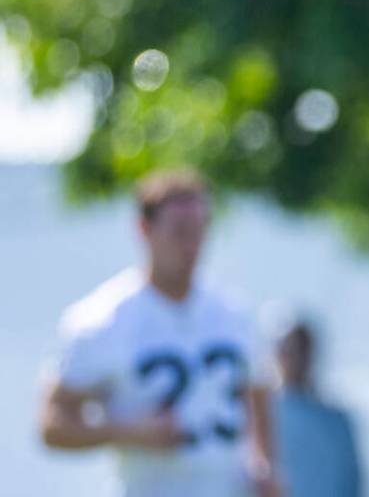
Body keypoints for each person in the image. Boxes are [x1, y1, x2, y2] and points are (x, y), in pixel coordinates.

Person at [39, 169, 281, 497]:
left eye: (199, 231)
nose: (191, 245)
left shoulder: (234, 313)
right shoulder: (101, 320)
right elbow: (53, 425)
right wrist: (130, 432)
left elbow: (257, 393)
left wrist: (263, 464)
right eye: (179, 231)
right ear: (144, 228)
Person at [272, 317, 364, 497]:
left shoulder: (337, 421)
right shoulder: (258, 417)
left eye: (301, 350)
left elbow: (353, 482)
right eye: (288, 350)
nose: (296, 358)